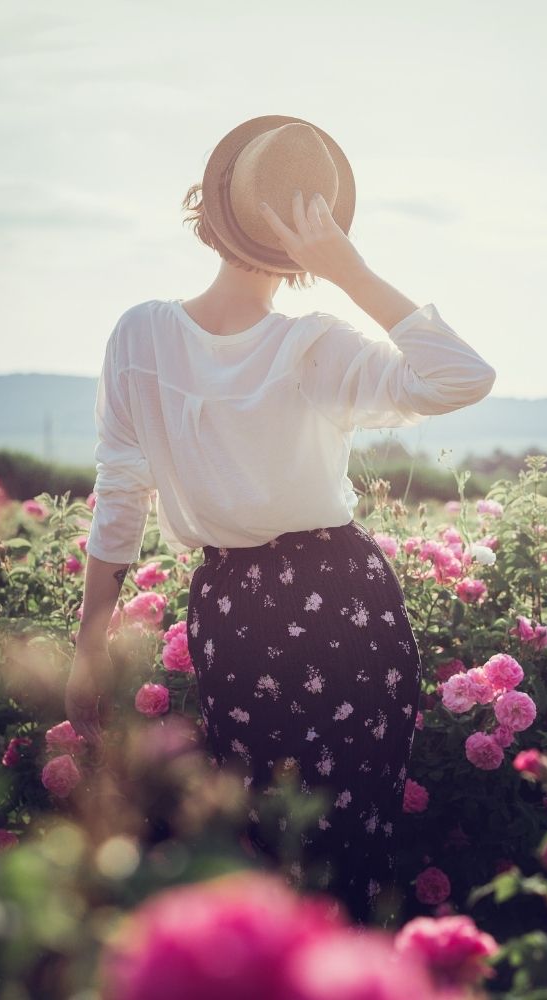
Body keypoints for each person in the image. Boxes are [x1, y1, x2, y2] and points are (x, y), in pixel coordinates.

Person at [65, 116, 497, 927]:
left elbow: (120, 496)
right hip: (333, 600)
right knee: (334, 846)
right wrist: (350, 270)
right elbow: (459, 377)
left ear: (216, 208)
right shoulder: (308, 344)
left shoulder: (149, 336)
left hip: (253, 607)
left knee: (276, 847)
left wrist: (90, 641)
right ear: (310, 234)